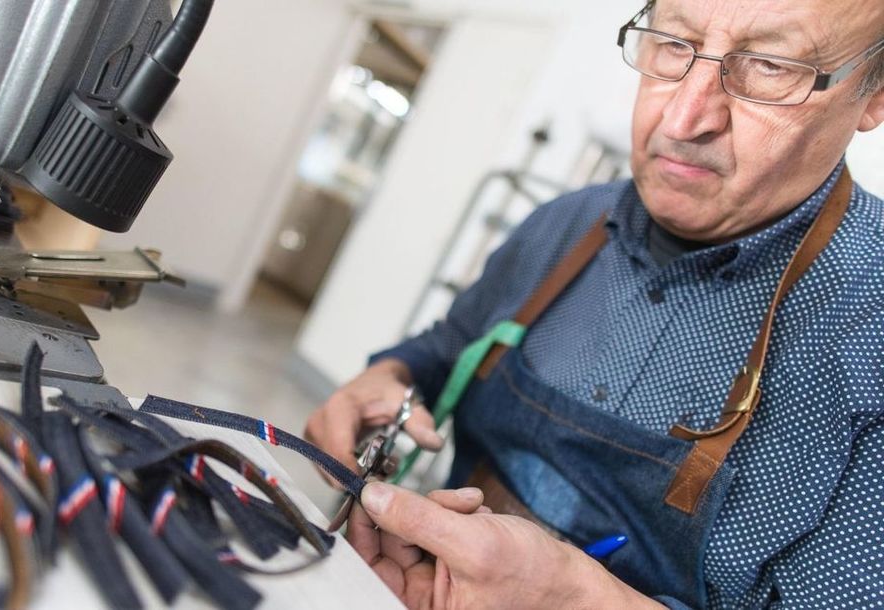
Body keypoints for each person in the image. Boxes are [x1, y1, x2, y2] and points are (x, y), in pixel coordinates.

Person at [305, 0, 884, 607]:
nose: (683, 118)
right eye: (675, 44)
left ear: (872, 95)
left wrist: (573, 598)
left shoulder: (866, 328)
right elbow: (452, 345)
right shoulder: (567, 223)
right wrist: (391, 376)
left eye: (770, 66)